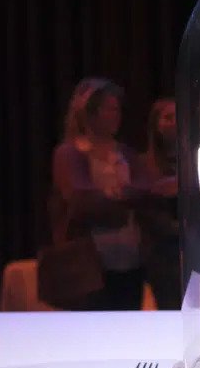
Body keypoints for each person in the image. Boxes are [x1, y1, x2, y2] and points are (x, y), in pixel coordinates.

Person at [43, 78, 151, 310]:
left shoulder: (125, 153)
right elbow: (80, 198)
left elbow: (146, 189)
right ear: (89, 113)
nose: (117, 115)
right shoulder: (70, 153)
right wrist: (122, 197)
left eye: (117, 109)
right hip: (89, 265)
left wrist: (115, 195)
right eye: (109, 109)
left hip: (129, 259)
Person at [138, 97, 181, 309]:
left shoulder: (193, 161)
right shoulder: (144, 164)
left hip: (194, 251)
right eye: (167, 117)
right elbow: (146, 211)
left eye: (177, 116)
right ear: (156, 124)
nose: (174, 122)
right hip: (161, 253)